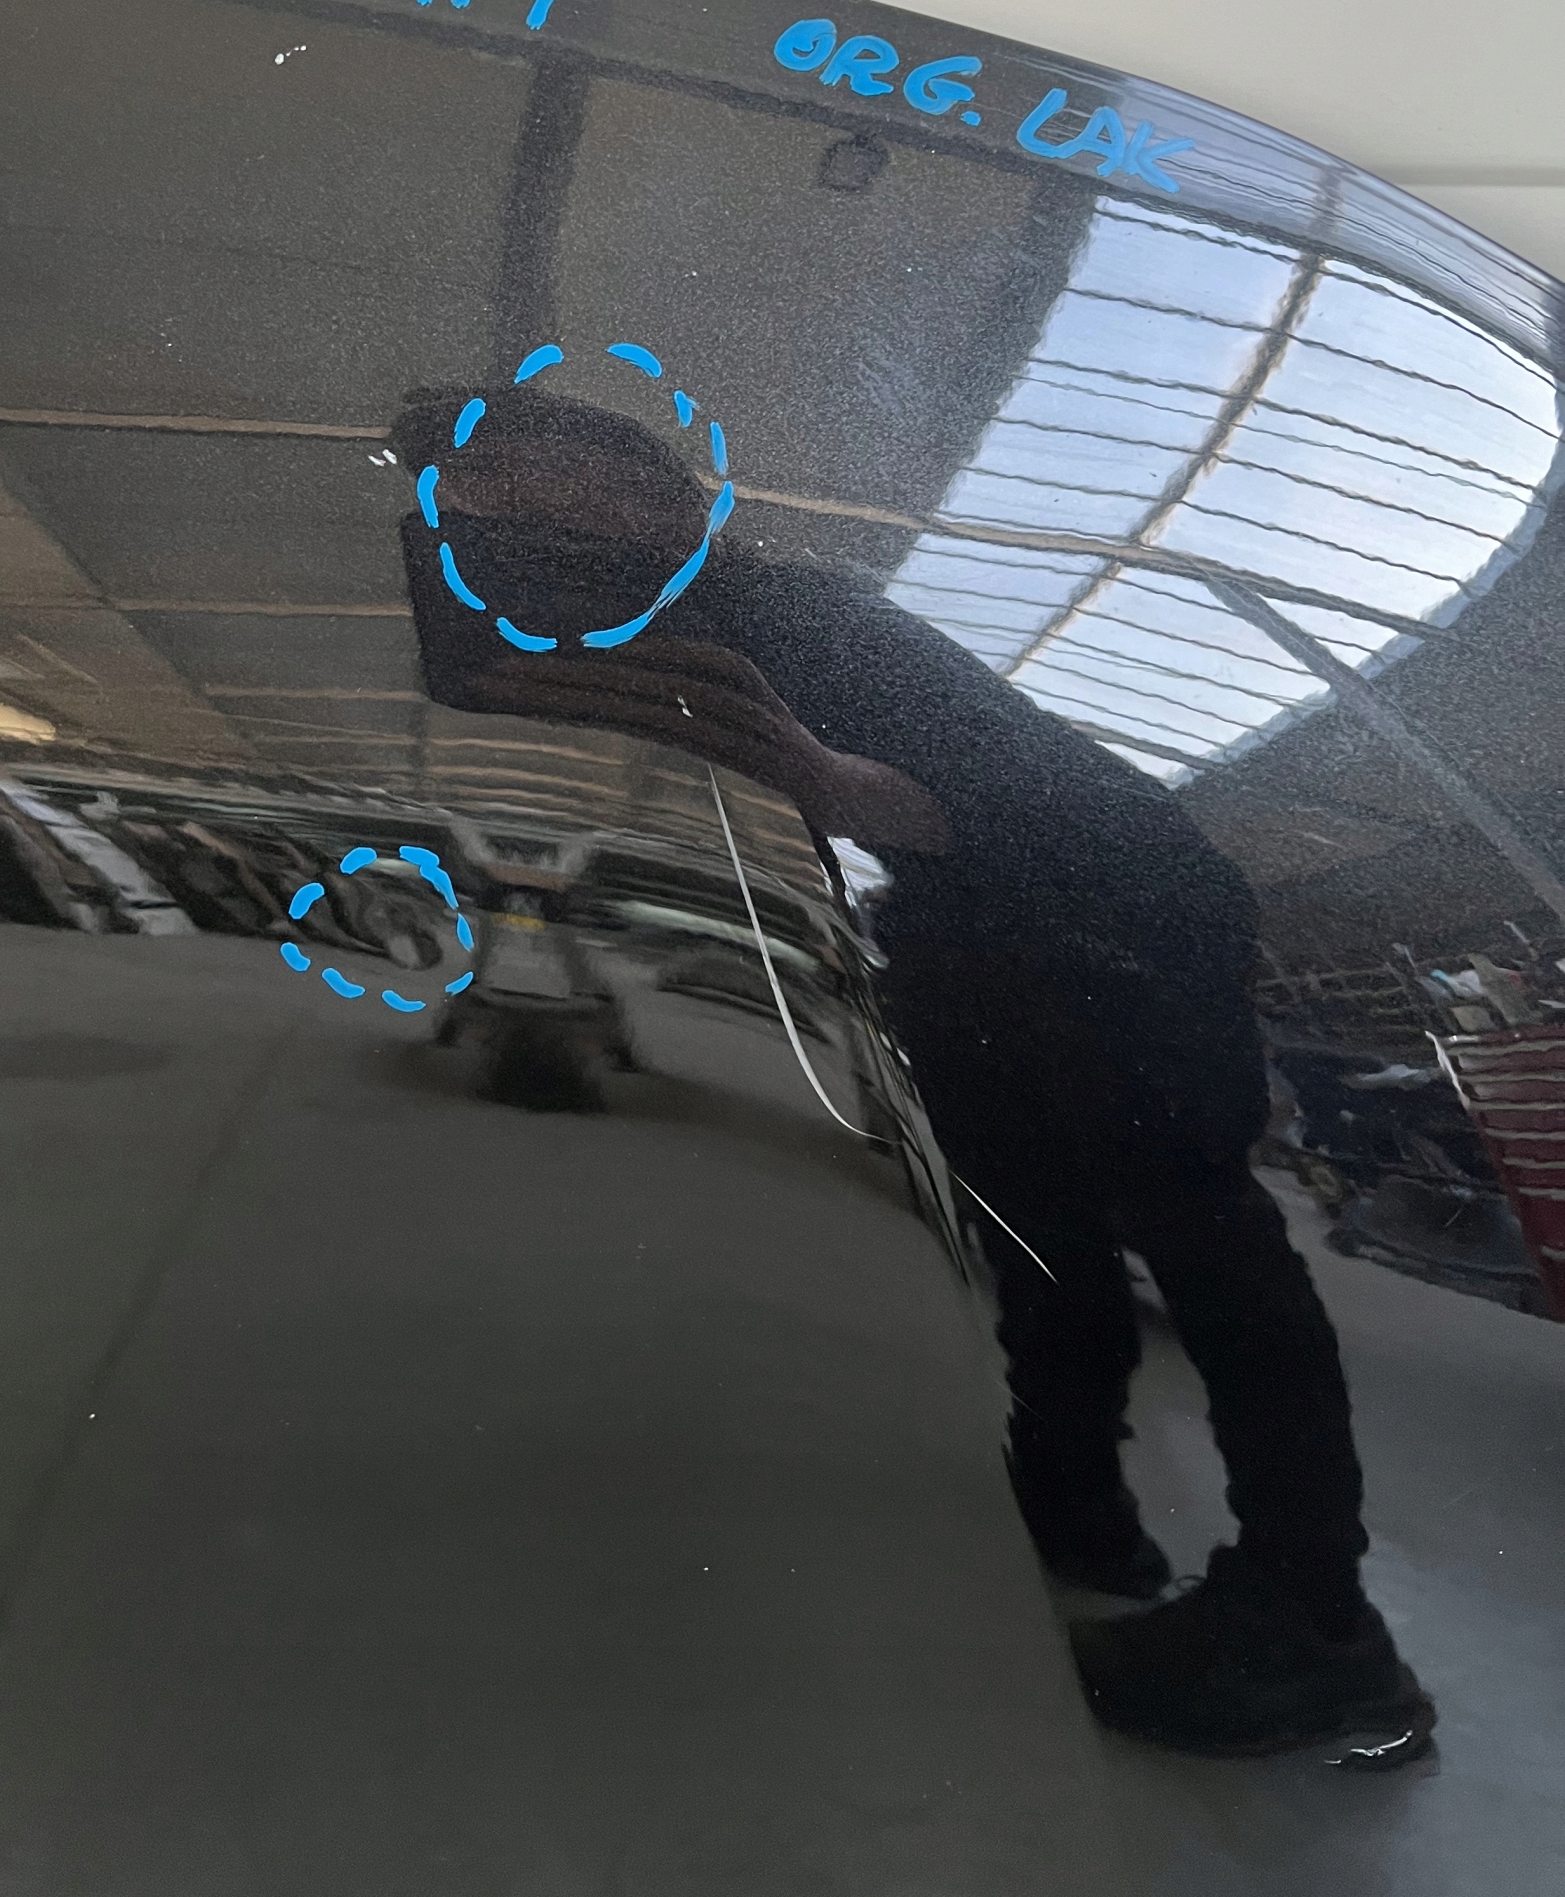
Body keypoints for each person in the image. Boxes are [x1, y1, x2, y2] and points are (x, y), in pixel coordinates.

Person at [390, 383, 1436, 1764]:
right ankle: (1076, 1498)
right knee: (1030, 1219)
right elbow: (468, 672)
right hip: (958, 908)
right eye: (467, 484)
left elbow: (1000, 783)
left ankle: (1324, 1629)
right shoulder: (604, 605)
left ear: (650, 492)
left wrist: (834, 781)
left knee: (1202, 1229)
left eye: (540, 473)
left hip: (1122, 890)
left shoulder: (790, 608)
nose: (505, 504)